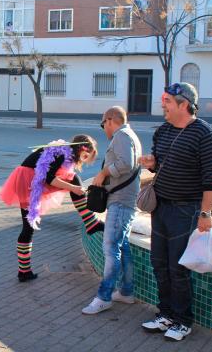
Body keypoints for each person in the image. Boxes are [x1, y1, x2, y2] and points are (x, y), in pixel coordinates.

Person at [139, 82, 212, 342]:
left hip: (186, 210)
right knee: (159, 264)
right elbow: (162, 165)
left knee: (177, 269)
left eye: (167, 100)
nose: (162, 104)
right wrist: (153, 165)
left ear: (183, 104)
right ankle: (165, 314)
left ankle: (183, 321)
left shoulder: (205, 135)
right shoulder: (162, 131)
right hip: (160, 207)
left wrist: (205, 213)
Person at [0, 135, 101, 282]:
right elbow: (48, 178)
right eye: (85, 156)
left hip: (35, 177)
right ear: (81, 149)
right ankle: (24, 272)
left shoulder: (65, 153)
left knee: (74, 179)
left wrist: (74, 187)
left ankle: (90, 222)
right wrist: (73, 188)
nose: (84, 160)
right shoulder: (60, 153)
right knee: (28, 227)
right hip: (28, 181)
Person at [82, 106, 141, 314]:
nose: (103, 129)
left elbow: (127, 163)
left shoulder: (122, 135)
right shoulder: (128, 135)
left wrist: (104, 173)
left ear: (109, 120)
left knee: (110, 248)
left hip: (120, 201)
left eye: (102, 124)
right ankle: (126, 292)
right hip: (123, 200)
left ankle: (104, 296)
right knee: (122, 246)